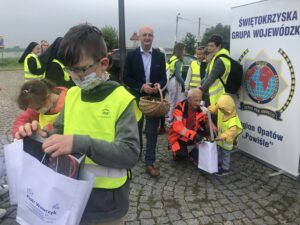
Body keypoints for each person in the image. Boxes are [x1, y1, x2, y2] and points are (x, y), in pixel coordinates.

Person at [15, 23, 140, 225]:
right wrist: (37, 135)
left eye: (81, 69)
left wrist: (80, 143)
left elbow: (130, 153)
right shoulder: (72, 95)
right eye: (70, 70)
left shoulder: (121, 99)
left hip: (105, 206)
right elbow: (58, 133)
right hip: (68, 196)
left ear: (104, 63)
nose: (75, 77)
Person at [123, 26, 167, 177]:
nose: (147, 38)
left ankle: (150, 163)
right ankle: (137, 154)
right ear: (140, 37)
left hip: (154, 100)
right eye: (144, 35)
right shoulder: (131, 56)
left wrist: (159, 84)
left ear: (153, 37)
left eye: (150, 35)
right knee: (136, 129)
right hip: (137, 97)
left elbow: (164, 78)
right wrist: (142, 87)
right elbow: (126, 78)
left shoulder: (160, 56)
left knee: (151, 132)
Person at [168, 88, 210, 161]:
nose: (198, 103)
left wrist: (211, 130)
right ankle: (175, 151)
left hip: (191, 135)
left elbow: (205, 124)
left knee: (205, 137)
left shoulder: (200, 109)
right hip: (178, 137)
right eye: (196, 100)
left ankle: (193, 154)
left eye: (200, 100)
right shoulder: (179, 107)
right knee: (181, 155)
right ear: (189, 99)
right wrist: (194, 135)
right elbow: (178, 127)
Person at [208, 94, 243, 176]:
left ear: (227, 108)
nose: (220, 110)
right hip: (220, 141)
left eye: (221, 109)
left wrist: (222, 136)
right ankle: (219, 164)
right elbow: (218, 107)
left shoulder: (233, 120)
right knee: (219, 152)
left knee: (226, 155)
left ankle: (225, 169)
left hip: (227, 143)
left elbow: (230, 133)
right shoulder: (223, 111)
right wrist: (214, 108)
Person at [200, 35, 231, 106]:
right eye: (208, 46)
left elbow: (211, 78)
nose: (209, 48)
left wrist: (200, 90)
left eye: (211, 46)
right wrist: (201, 83)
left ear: (219, 46)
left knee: (213, 116)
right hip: (214, 95)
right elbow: (208, 75)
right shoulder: (217, 57)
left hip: (215, 96)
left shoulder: (220, 60)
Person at [166, 42, 186, 122]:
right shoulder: (178, 61)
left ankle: (170, 117)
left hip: (169, 81)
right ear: (180, 50)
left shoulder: (171, 59)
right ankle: (171, 118)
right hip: (175, 82)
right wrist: (183, 84)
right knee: (176, 101)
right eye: (184, 50)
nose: (185, 51)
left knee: (172, 100)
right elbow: (178, 75)